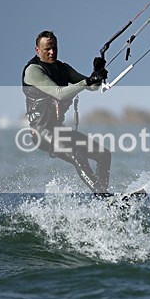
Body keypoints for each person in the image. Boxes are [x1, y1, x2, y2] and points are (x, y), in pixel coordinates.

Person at [22, 30, 111, 194]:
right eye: (47, 49)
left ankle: (105, 200)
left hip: (59, 131)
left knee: (103, 155)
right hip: (42, 133)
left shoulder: (63, 68)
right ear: (37, 50)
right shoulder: (33, 70)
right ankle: (103, 197)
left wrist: (97, 73)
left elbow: (93, 87)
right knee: (78, 154)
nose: (52, 52)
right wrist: (88, 81)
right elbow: (59, 93)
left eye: (55, 48)